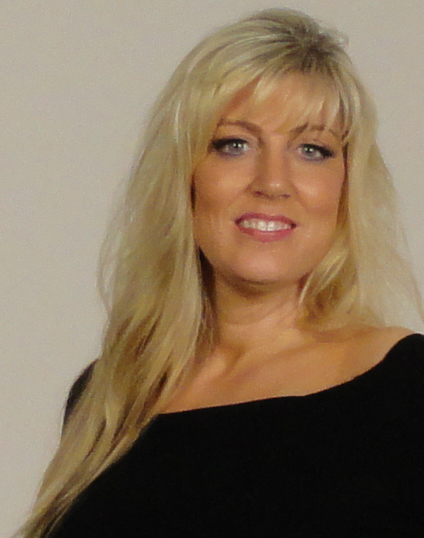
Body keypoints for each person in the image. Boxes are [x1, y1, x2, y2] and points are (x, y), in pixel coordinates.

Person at [18, 8, 424, 538]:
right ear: (185, 174)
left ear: (347, 187)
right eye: (235, 144)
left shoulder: (407, 388)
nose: (272, 182)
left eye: (312, 150)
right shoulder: (109, 394)